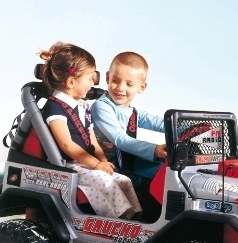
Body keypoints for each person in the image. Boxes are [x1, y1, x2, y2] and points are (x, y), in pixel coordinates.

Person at [38, 42, 142, 220]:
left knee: (124, 180)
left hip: (86, 163)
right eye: (90, 78)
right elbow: (66, 144)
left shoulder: (82, 107)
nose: (93, 83)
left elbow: (93, 141)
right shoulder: (55, 107)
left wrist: (103, 162)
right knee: (106, 182)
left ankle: (136, 218)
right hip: (69, 166)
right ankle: (117, 221)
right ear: (71, 81)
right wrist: (96, 165)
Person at [91, 51, 167, 187]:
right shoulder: (102, 107)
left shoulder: (132, 112)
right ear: (107, 77)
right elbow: (120, 139)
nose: (120, 88)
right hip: (112, 166)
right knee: (165, 176)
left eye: (129, 84)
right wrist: (155, 149)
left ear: (142, 87)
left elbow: (160, 123)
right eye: (115, 81)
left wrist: (185, 126)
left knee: (169, 167)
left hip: (128, 161)